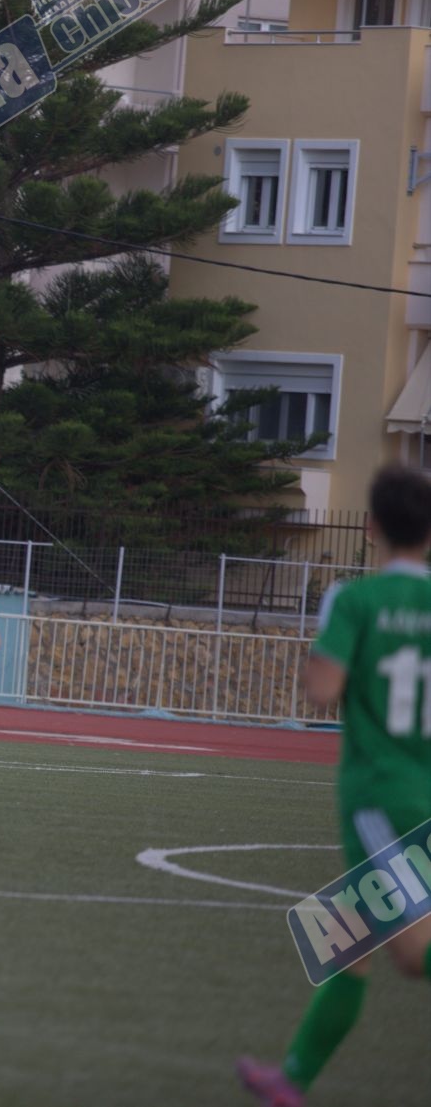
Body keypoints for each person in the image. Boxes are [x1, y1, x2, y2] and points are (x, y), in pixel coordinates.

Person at [238, 465, 431, 1106]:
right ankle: (291, 1080)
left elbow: (322, 690)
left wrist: (327, 644)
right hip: (422, 787)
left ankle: (292, 1080)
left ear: (372, 526)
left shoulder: (356, 601)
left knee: (411, 953)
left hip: (381, 796)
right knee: (342, 936)